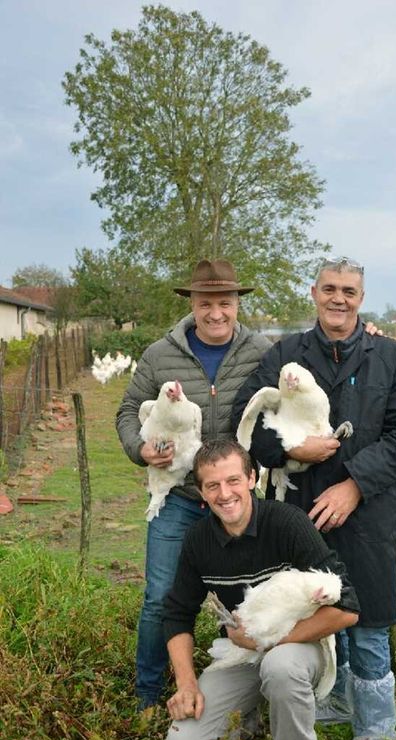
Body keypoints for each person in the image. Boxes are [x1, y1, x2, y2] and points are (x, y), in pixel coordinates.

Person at [231, 256, 396, 740]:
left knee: (366, 623)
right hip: (298, 515)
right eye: (329, 289)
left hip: (368, 519)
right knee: (316, 614)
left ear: (361, 299)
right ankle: (336, 702)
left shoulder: (392, 357)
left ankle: (375, 730)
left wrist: (355, 484)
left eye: (349, 290)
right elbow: (243, 422)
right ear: (314, 293)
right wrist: (293, 447)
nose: (339, 298)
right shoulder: (285, 354)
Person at [162, 439, 359, 740]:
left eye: (234, 480)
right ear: (202, 494)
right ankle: (255, 718)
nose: (225, 494)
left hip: (299, 647)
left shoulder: (287, 523)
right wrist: (187, 683)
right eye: (213, 485)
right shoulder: (198, 540)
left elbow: (346, 608)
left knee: (281, 667)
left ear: (253, 477)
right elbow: (177, 614)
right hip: (242, 652)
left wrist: (267, 641)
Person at [116, 259, 271, 711]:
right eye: (207, 303)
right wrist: (139, 449)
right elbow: (128, 410)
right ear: (193, 304)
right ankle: (147, 695)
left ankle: (244, 695)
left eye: (225, 302)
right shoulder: (160, 355)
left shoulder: (261, 351)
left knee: (247, 597)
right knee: (160, 596)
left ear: (237, 303)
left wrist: (367, 334)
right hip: (179, 497)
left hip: (237, 501)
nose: (216, 313)